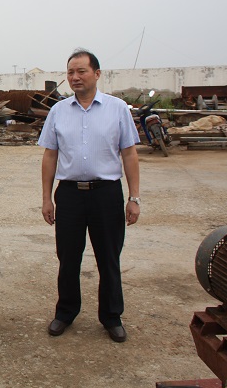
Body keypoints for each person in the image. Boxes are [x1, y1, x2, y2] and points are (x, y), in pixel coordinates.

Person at [39, 48, 141, 343]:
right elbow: (50, 156)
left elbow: (129, 154)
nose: (75, 77)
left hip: (106, 194)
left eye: (81, 71)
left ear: (96, 74)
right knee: (68, 257)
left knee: (108, 257)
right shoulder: (58, 111)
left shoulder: (117, 109)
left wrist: (134, 198)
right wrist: (47, 198)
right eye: (70, 72)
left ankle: (111, 316)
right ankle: (65, 312)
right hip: (70, 195)